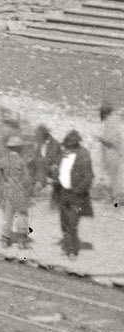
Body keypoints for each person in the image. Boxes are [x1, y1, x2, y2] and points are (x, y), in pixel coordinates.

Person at [53, 131, 96, 259]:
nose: (67, 147)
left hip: (76, 195)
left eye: (70, 145)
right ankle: (67, 247)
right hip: (63, 193)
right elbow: (60, 169)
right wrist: (56, 175)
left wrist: (77, 191)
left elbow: (88, 178)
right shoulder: (65, 154)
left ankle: (73, 251)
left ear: (76, 144)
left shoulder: (83, 155)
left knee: (72, 223)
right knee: (64, 223)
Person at [0, 115, 37, 249]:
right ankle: (21, 241)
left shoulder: (3, 160)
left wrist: (4, 186)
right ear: (19, 148)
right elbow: (26, 178)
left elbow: (0, 175)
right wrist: (30, 192)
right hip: (19, 190)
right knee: (22, 214)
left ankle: (5, 239)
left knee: (7, 216)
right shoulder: (21, 161)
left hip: (7, 190)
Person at [101, 104, 124, 214]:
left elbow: (111, 141)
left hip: (114, 153)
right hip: (117, 152)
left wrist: (101, 140)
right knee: (117, 176)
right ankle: (117, 199)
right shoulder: (116, 120)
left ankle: (117, 201)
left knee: (115, 177)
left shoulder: (110, 122)